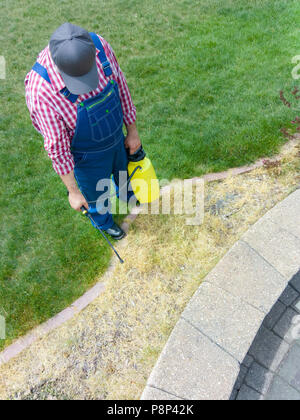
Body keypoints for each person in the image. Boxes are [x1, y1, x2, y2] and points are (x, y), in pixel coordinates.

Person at [25, 22, 142, 240]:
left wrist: (132, 132)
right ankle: (104, 222)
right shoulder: (41, 91)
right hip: (87, 157)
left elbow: (122, 88)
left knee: (124, 172)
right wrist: (74, 192)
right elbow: (57, 147)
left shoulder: (99, 46)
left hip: (116, 138)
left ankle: (129, 195)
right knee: (97, 196)